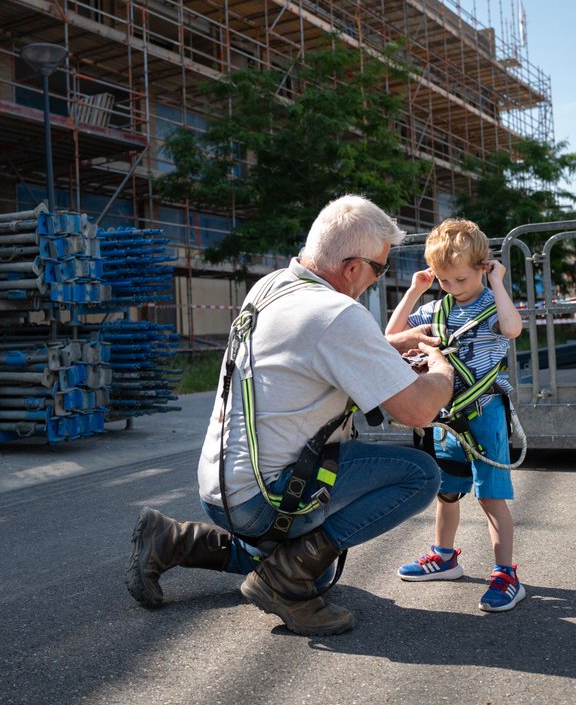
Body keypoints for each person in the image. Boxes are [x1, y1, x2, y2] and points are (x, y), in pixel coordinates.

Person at [126, 194, 456, 635]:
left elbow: (314, 349)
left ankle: (174, 539)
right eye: (379, 269)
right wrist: (442, 368)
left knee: (315, 571)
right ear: (353, 267)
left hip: (220, 488)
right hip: (263, 500)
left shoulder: (272, 286)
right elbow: (418, 410)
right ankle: (281, 581)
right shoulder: (338, 314)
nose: (377, 280)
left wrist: (388, 346)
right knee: (420, 474)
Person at [385, 218, 526, 611]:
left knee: (491, 496)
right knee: (448, 492)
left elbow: (513, 329)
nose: (452, 287)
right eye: (444, 280)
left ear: (483, 267)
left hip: (485, 412)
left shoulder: (491, 305)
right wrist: (415, 291)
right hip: (447, 415)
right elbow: (389, 339)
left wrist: (498, 283)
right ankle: (444, 557)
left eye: (460, 279)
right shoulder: (438, 307)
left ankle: (505, 574)